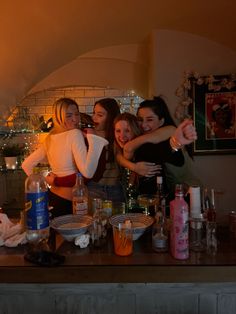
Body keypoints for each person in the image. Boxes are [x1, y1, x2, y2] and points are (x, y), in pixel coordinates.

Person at [21, 97, 108, 218]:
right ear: (58, 117)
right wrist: (94, 141)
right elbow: (88, 173)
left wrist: (44, 182)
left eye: (76, 114)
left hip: (53, 198)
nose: (75, 119)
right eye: (68, 115)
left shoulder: (49, 138)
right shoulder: (75, 134)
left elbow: (26, 165)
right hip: (72, 202)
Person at [114, 97, 199, 201]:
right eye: (140, 119)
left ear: (161, 121)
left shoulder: (167, 133)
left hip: (189, 196)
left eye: (149, 119)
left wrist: (175, 144)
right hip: (174, 199)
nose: (144, 125)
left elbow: (166, 150)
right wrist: (133, 165)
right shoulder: (144, 142)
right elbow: (120, 154)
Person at [47, 98, 126, 203]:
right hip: (94, 189)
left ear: (111, 117)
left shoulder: (119, 136)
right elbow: (83, 172)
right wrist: (57, 180)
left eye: (100, 115)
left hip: (116, 189)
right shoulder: (85, 135)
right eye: (94, 113)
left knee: (117, 219)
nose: (94, 118)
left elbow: (121, 157)